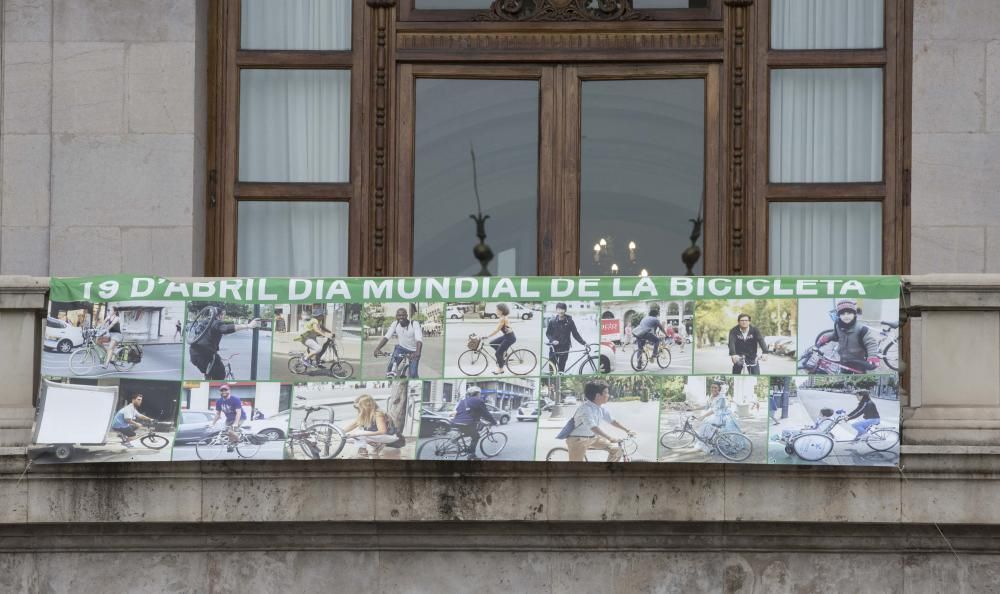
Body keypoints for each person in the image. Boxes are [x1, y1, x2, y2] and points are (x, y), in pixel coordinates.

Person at [565, 380, 636, 462]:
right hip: (578, 440)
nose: (608, 395)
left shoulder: (600, 407)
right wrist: (610, 438)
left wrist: (627, 430)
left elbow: (612, 421)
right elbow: (593, 427)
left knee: (617, 450)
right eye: (606, 392)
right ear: (598, 395)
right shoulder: (585, 409)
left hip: (593, 438)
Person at [188, 306, 260, 380]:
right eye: (223, 315)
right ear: (219, 315)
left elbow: (206, 340)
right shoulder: (216, 323)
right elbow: (226, 329)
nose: (223, 317)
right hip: (205, 355)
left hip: (194, 354)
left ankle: (207, 378)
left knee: (209, 371)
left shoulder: (204, 323)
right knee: (220, 374)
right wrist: (248, 326)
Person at [816, 299, 880, 373]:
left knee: (859, 377)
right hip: (844, 360)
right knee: (844, 376)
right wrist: (826, 338)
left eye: (849, 313)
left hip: (858, 361)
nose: (846, 316)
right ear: (839, 316)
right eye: (842, 314)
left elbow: (871, 344)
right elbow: (835, 335)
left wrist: (872, 356)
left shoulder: (862, 329)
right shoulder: (838, 326)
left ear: (854, 314)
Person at [342, 394, 399, 458]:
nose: (358, 409)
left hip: (390, 436)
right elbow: (352, 425)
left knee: (359, 433)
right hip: (379, 436)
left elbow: (383, 431)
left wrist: (358, 434)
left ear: (366, 406)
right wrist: (340, 432)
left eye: (359, 407)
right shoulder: (364, 415)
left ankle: (362, 452)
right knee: (345, 438)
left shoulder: (378, 413)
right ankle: (377, 444)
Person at [450, 385, 497, 460]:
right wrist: (494, 422)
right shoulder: (478, 400)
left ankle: (456, 439)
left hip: (456, 422)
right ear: (478, 393)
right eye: (480, 393)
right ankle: (472, 455)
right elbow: (486, 414)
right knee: (476, 436)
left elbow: (460, 412)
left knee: (469, 432)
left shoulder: (463, 401)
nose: (480, 395)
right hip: (467, 423)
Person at [373, 308, 423, 378]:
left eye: (403, 315)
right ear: (396, 316)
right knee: (390, 368)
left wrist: (417, 352)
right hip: (401, 348)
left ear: (407, 315)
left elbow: (419, 339)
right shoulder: (395, 324)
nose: (401, 317)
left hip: (413, 351)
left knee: (413, 374)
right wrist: (377, 349)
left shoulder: (414, 324)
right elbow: (387, 337)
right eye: (399, 315)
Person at [697, 382, 741, 453]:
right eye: (712, 387)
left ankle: (721, 446)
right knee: (705, 428)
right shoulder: (711, 396)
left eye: (715, 388)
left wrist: (703, 416)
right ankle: (709, 445)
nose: (713, 389)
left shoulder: (721, 398)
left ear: (719, 389)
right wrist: (694, 408)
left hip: (721, 416)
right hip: (714, 415)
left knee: (712, 428)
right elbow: (707, 406)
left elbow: (715, 410)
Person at [545, 302, 586, 373]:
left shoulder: (570, 322)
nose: (560, 311)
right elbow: (548, 333)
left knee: (561, 368)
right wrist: (552, 340)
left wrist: (584, 343)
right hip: (553, 347)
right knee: (552, 369)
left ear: (565, 310)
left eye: (562, 309)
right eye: (559, 309)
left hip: (565, 347)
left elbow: (575, 334)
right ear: (556, 310)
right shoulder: (552, 321)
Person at [208, 384, 246, 452]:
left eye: (226, 390)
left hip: (240, 417)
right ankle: (232, 445)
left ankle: (239, 440)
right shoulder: (219, 401)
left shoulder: (235, 399)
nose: (224, 392)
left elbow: (238, 412)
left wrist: (236, 423)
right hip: (229, 419)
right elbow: (218, 414)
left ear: (229, 391)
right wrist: (212, 423)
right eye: (222, 390)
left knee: (231, 431)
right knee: (228, 433)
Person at [482, 303, 516, 375]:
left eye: (497, 309)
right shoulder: (503, 317)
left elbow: (496, 330)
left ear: (501, 311)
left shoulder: (503, 319)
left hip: (510, 338)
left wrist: (487, 336)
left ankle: (501, 369)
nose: (496, 311)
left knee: (497, 353)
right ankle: (503, 355)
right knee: (492, 343)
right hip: (507, 336)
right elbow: (507, 328)